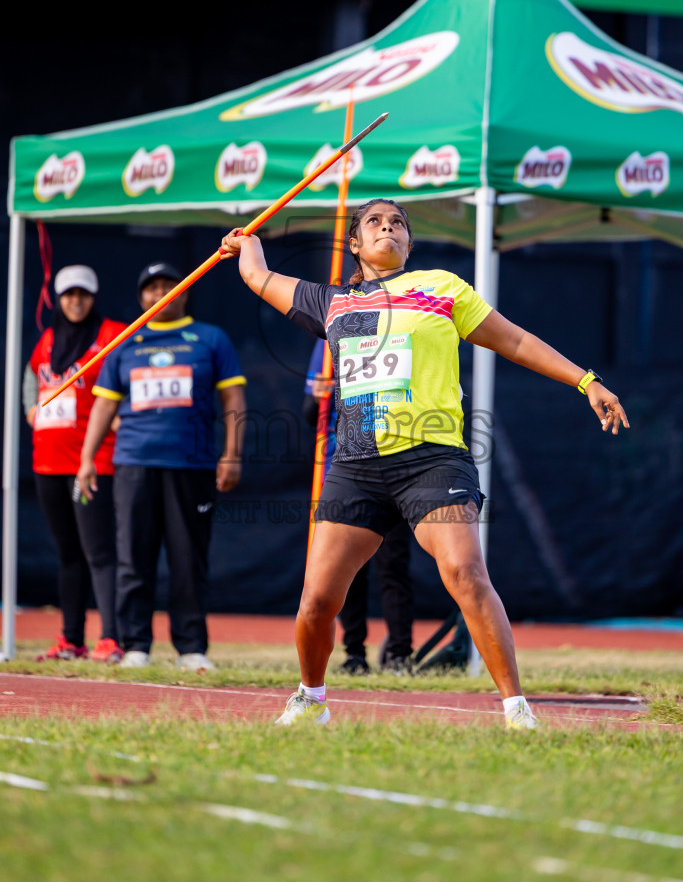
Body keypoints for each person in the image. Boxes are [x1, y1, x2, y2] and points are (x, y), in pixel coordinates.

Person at [220, 200, 629, 729]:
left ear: (409, 245)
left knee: (464, 571)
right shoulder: (332, 301)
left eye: (398, 224)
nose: (388, 228)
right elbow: (257, 276)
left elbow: (517, 340)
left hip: (431, 459)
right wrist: (244, 245)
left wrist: (585, 381)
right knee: (318, 599)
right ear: (354, 244)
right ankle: (311, 698)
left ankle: (516, 708)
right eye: (375, 222)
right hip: (357, 465)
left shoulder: (442, 288)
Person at [76, 262, 246, 670]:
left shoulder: (210, 339)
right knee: (133, 555)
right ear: (141, 297)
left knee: (188, 557)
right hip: (134, 464)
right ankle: (135, 644)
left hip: (193, 466)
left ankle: (191, 648)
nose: (161, 293)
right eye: (152, 288)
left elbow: (234, 401)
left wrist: (232, 453)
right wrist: (86, 459)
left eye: (169, 285)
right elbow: (104, 405)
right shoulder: (124, 343)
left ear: (184, 291)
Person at [24, 264, 126, 663]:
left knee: (98, 551)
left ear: (93, 297)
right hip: (47, 463)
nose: (76, 301)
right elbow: (31, 375)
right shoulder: (48, 339)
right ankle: (71, 640)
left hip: (91, 462)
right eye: (69, 294)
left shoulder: (110, 335)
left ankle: (110, 639)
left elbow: (130, 376)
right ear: (60, 299)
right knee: (68, 552)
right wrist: (31, 410)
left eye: (83, 294)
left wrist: (125, 413)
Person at [303, 337, 414, 674]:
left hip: (396, 465)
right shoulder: (328, 343)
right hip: (347, 470)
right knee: (346, 570)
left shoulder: (402, 333)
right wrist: (322, 392)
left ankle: (399, 654)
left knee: (393, 565)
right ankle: (354, 654)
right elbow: (310, 412)